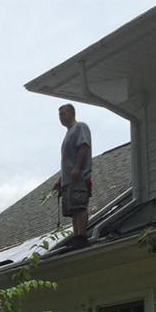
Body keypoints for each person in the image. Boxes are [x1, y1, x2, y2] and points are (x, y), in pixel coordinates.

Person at [55, 103, 92, 242]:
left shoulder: (80, 127)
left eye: (62, 114)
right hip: (68, 180)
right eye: (59, 115)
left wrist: (77, 167)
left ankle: (81, 236)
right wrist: (61, 180)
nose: (60, 117)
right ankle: (76, 236)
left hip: (79, 178)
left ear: (71, 113)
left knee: (80, 206)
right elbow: (68, 160)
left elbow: (84, 146)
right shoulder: (68, 133)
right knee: (73, 210)